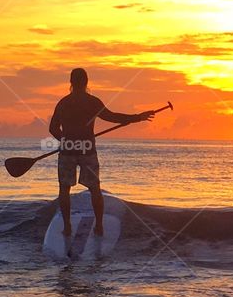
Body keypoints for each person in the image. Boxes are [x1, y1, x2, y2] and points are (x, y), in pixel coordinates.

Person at [48, 68, 155, 238]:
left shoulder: (63, 103)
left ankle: (67, 227)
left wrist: (65, 140)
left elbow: (52, 128)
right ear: (86, 82)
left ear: (71, 82)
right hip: (87, 150)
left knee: (64, 189)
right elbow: (112, 117)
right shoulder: (92, 102)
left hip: (67, 151)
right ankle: (99, 226)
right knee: (94, 188)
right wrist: (137, 117)